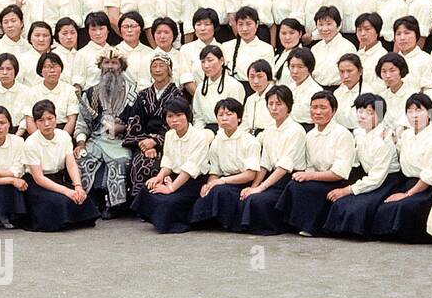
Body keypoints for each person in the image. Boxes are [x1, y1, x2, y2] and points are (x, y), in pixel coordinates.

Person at [369, 93, 432, 243]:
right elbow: (397, 148)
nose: (414, 115)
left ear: (430, 113)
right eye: (410, 111)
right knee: (381, 203)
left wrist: (407, 194)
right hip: (405, 181)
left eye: (419, 110)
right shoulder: (407, 135)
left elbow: (427, 177)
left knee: (404, 206)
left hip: (425, 188)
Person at [324, 92, 403, 237]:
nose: (362, 116)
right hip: (369, 177)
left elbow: (376, 178)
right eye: (359, 111)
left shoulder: (384, 139)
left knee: (358, 207)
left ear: (379, 115)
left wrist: (347, 190)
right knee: (340, 203)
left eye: (369, 112)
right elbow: (353, 160)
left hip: (387, 181)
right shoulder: (360, 134)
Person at [130, 98, 214, 233]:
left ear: (187, 115)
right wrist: (159, 177)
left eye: (179, 115)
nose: (174, 120)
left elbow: (190, 168)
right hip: (175, 176)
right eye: (170, 116)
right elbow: (168, 160)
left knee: (168, 201)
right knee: (147, 188)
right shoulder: (169, 135)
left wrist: (171, 189)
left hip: (193, 181)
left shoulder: (199, 137)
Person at [279, 91, 356, 235]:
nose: (318, 112)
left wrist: (309, 176)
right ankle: (293, 223)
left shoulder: (342, 134)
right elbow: (309, 166)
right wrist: (306, 175)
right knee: (294, 183)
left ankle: (314, 228)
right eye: (314, 107)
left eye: (323, 107)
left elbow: (340, 172)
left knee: (305, 188)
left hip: (337, 181)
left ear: (333, 111)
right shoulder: (310, 135)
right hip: (318, 178)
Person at [76, 50, 140, 216]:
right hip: (96, 140)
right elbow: (82, 124)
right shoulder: (90, 93)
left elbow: (138, 122)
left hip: (121, 141)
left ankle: (114, 206)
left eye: (114, 63)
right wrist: (81, 143)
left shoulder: (133, 94)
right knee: (83, 158)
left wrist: (124, 128)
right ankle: (90, 203)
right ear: (100, 66)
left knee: (121, 161)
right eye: (106, 63)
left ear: (121, 67)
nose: (110, 67)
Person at [238, 85, 307, 234]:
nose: (274, 108)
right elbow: (265, 164)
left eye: (279, 104)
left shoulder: (296, 131)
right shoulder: (269, 129)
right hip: (272, 177)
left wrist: (260, 188)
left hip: (289, 181)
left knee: (257, 201)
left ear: (289, 106)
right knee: (246, 196)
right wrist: (254, 186)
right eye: (270, 104)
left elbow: (284, 166)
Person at [22, 101, 100, 231]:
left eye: (50, 118)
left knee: (82, 199)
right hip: (37, 183)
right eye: (41, 120)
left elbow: (70, 163)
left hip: (57, 178)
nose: (47, 124)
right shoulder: (31, 143)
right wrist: (67, 191)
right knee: (60, 201)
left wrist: (78, 186)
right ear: (35, 123)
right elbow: (38, 178)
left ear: (56, 119)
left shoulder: (63, 136)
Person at [190, 97, 262, 229]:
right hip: (224, 181)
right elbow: (214, 171)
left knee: (220, 191)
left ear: (239, 118)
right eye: (220, 115)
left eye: (229, 114)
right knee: (205, 191)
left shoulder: (250, 141)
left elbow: (250, 174)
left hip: (242, 182)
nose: (224, 118)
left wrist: (222, 181)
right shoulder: (217, 141)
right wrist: (209, 184)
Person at [123, 53, 185, 188]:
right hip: (144, 141)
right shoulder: (143, 95)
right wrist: (145, 145)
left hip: (169, 143)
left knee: (158, 166)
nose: (157, 70)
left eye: (161, 66)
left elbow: (178, 124)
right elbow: (135, 121)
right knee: (138, 164)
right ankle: (138, 205)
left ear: (169, 70)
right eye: (154, 66)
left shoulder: (177, 94)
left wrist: (156, 141)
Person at [22, 51, 78, 138]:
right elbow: (29, 121)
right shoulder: (32, 92)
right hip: (38, 134)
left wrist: (61, 140)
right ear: (41, 71)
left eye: (55, 66)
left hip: (63, 133)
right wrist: (39, 140)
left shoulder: (71, 91)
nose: (52, 70)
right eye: (47, 67)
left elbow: (72, 120)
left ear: (61, 69)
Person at [192, 44, 246, 129]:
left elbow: (235, 116)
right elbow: (198, 117)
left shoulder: (234, 85)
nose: (206, 65)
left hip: (228, 129)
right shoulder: (200, 87)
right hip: (206, 130)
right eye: (203, 62)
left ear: (221, 60)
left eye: (210, 60)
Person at [225, 7, 274, 82]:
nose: (244, 29)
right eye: (240, 24)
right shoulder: (226, 46)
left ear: (257, 24)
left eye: (248, 24)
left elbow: (269, 77)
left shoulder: (266, 48)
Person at [286, 47, 324, 128]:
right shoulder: (289, 87)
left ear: (309, 68)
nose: (295, 71)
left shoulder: (317, 91)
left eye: (300, 67)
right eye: (292, 66)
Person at [116, 11, 156, 87]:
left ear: (141, 29)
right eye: (125, 27)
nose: (129, 30)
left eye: (133, 26)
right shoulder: (115, 52)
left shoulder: (150, 52)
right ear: (120, 30)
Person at [309, 6, 347, 88]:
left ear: (338, 24)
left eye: (329, 24)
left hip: (338, 90)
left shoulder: (347, 47)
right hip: (316, 89)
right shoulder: (314, 48)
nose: (324, 29)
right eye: (320, 24)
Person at [375, 53, 413, 129]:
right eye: (384, 71)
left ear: (401, 71)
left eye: (392, 71)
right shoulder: (380, 98)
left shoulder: (413, 95)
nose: (388, 76)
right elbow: (378, 123)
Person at [352, 13, 388, 89]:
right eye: (359, 30)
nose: (362, 34)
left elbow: (382, 87)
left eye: (367, 29)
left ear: (377, 31)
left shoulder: (383, 56)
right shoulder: (357, 55)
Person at [241, 59, 273, 134]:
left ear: (269, 78)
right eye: (252, 77)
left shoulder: (276, 96)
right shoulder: (250, 99)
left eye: (260, 76)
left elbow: (274, 125)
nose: (255, 81)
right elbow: (244, 125)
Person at [333, 53, 364, 130]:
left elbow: (379, 122)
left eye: (349, 71)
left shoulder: (373, 93)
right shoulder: (337, 93)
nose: (345, 76)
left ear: (360, 71)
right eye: (342, 71)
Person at [272, 17, 306, 82]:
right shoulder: (277, 56)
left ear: (300, 34)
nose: (287, 37)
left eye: (292, 33)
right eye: (283, 33)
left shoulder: (304, 56)